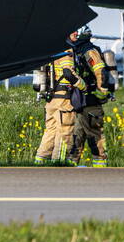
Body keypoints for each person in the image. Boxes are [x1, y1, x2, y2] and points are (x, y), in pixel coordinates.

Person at [67, 25, 114, 168]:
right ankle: (69, 168)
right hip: (82, 101)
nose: (72, 34)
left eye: (75, 31)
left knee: (95, 137)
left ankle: (100, 169)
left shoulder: (89, 51)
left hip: (91, 101)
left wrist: (101, 92)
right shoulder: (78, 50)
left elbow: (101, 72)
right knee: (76, 138)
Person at [34, 35, 84, 164]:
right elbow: (68, 73)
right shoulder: (66, 50)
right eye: (74, 31)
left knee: (50, 132)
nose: (76, 33)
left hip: (51, 100)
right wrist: (82, 85)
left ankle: (39, 162)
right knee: (65, 133)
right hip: (64, 101)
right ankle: (59, 165)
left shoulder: (52, 48)